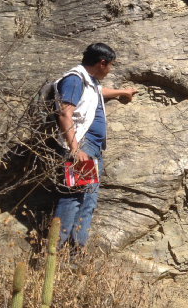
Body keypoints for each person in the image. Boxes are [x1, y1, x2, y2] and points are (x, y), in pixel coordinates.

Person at [53, 42, 137, 251]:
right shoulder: (74, 79)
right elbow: (65, 114)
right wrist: (74, 149)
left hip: (93, 149)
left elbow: (100, 91)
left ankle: (76, 253)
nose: (110, 70)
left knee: (87, 201)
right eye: (110, 66)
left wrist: (123, 92)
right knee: (73, 199)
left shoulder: (88, 81)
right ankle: (55, 254)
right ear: (102, 63)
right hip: (82, 146)